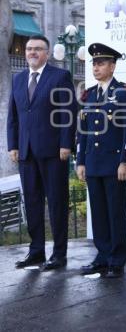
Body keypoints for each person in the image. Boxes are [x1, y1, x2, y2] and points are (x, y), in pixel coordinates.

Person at [7, 35, 77, 270]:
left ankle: (59, 254)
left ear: (47, 53)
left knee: (57, 202)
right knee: (33, 202)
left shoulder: (60, 76)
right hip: (26, 152)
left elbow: (68, 113)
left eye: (38, 49)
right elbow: (13, 116)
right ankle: (36, 251)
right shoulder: (17, 79)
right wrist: (13, 145)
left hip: (54, 152)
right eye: (29, 49)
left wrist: (66, 144)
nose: (32, 52)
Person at [76, 43, 126, 278]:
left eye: (101, 63)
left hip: (114, 164)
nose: (96, 68)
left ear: (112, 66)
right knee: (98, 213)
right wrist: (80, 161)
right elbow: (83, 131)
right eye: (94, 64)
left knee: (115, 212)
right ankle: (102, 256)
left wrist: (125, 162)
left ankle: (117, 260)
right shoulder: (89, 94)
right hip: (93, 162)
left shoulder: (124, 92)